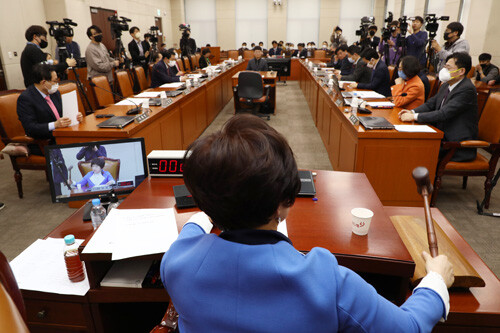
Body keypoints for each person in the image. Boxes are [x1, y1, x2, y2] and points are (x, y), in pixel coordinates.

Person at [160, 114, 454, 332]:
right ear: (284, 204)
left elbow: (191, 230)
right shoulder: (327, 280)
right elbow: (410, 327)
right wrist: (435, 281)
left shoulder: (177, 262)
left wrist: (202, 216)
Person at [399, 53, 478, 162]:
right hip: (441, 136)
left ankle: (421, 177)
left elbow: (443, 113)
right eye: (445, 66)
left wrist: (414, 117)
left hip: (456, 144)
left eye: (448, 67)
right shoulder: (446, 84)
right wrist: (412, 111)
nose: (444, 70)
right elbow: (431, 103)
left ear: (461, 71)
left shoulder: (467, 89)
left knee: (416, 150)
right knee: (408, 142)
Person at [17, 64, 83, 155]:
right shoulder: (26, 99)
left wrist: (75, 116)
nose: (57, 84)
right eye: (55, 81)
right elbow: (30, 128)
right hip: (44, 141)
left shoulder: (54, 93)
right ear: (44, 82)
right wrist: (55, 125)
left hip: (63, 135)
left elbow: (63, 114)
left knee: (90, 143)